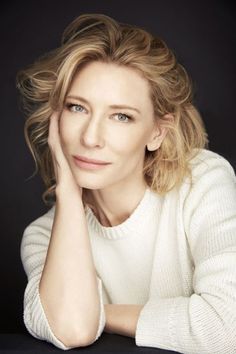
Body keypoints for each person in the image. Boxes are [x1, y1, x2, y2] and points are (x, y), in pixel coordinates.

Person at [17, 13, 236, 353]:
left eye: (121, 116)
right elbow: (72, 329)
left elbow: (227, 328)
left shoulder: (203, 182)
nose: (91, 137)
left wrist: (102, 314)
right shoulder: (43, 236)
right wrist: (69, 194)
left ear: (157, 131)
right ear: (55, 120)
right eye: (77, 108)